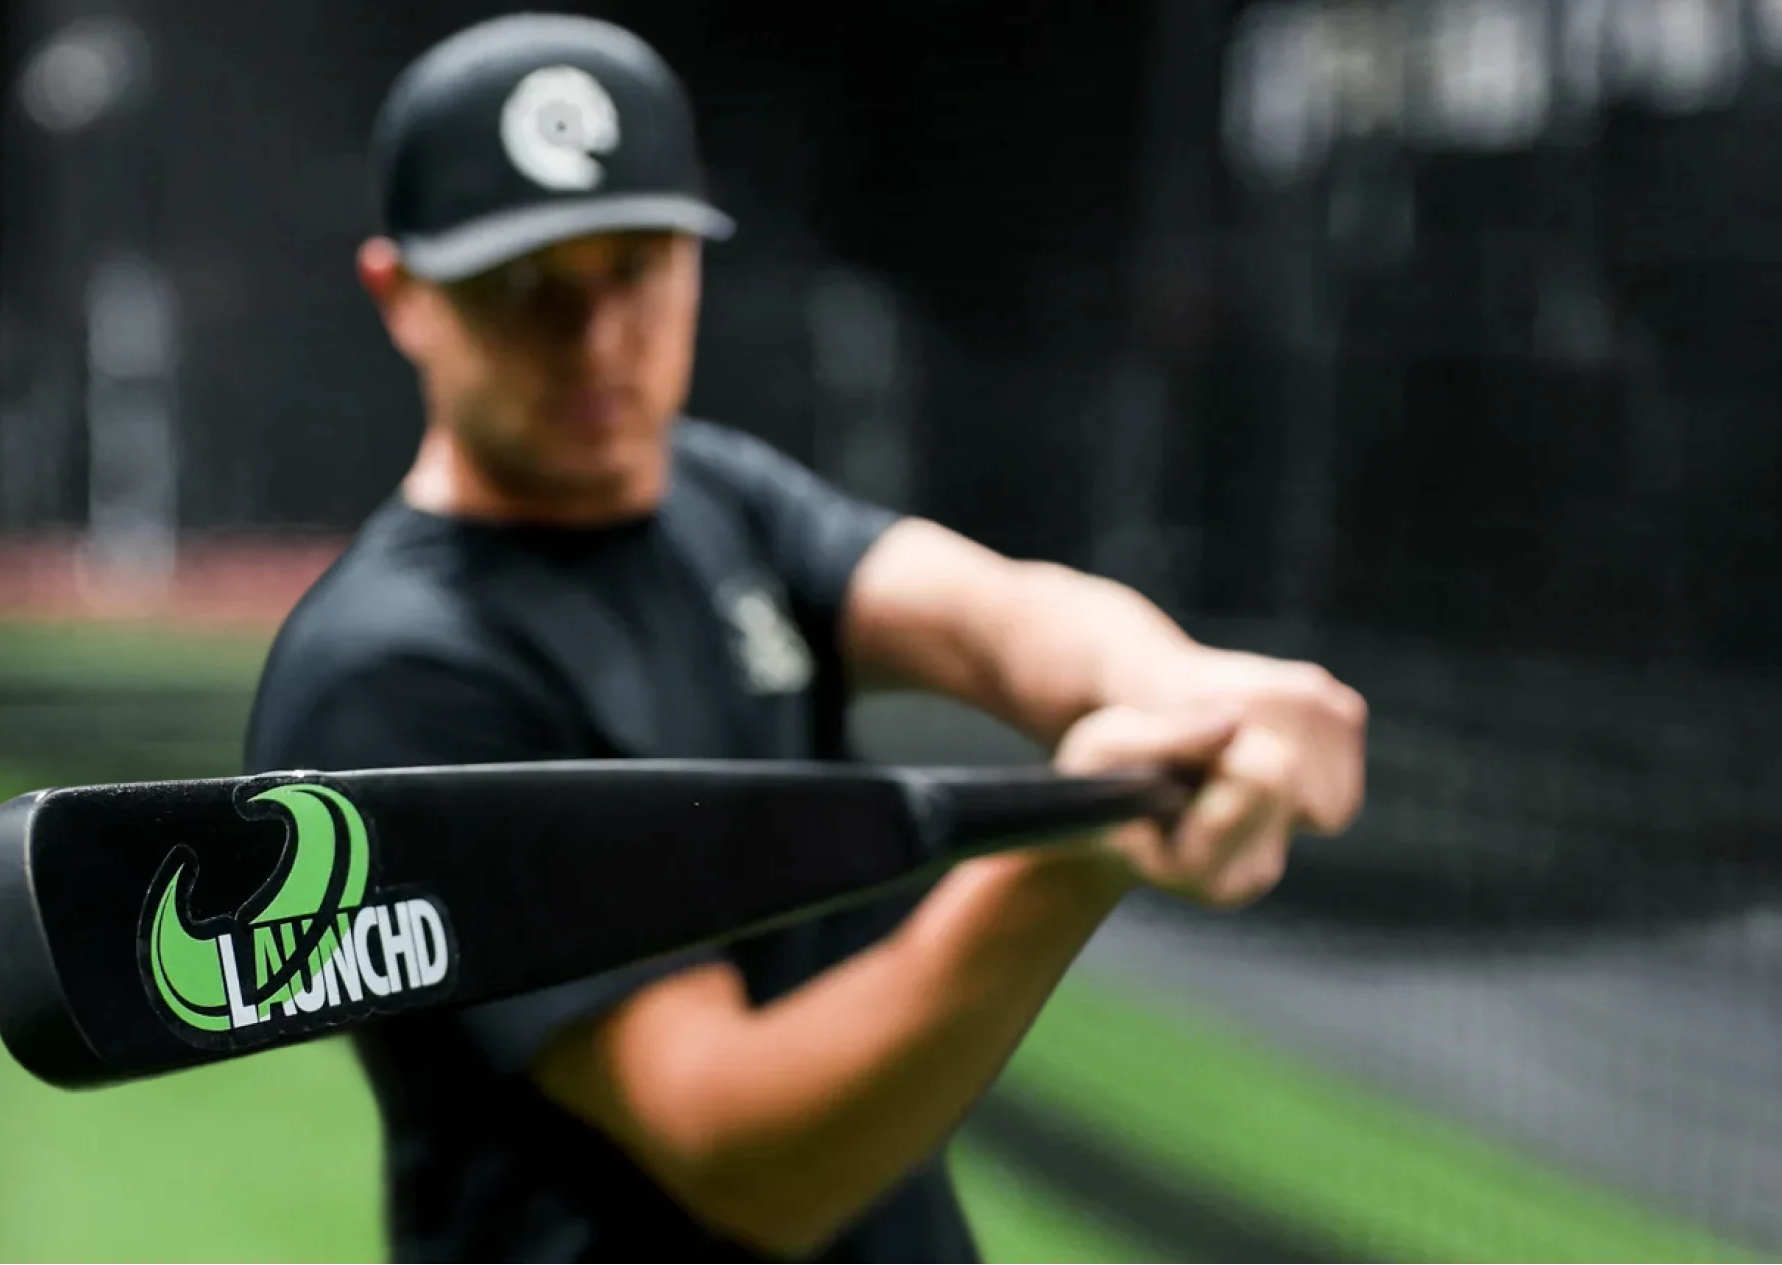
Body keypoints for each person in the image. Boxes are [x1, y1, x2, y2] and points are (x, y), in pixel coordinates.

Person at [240, 14, 1371, 1263]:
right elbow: (740, 1155)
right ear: (401, 296)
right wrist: (1070, 857)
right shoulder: (393, 679)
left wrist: (1185, 691)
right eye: (525, 284)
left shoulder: (714, 493)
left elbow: (993, 618)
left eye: (638, 265)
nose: (598, 336)